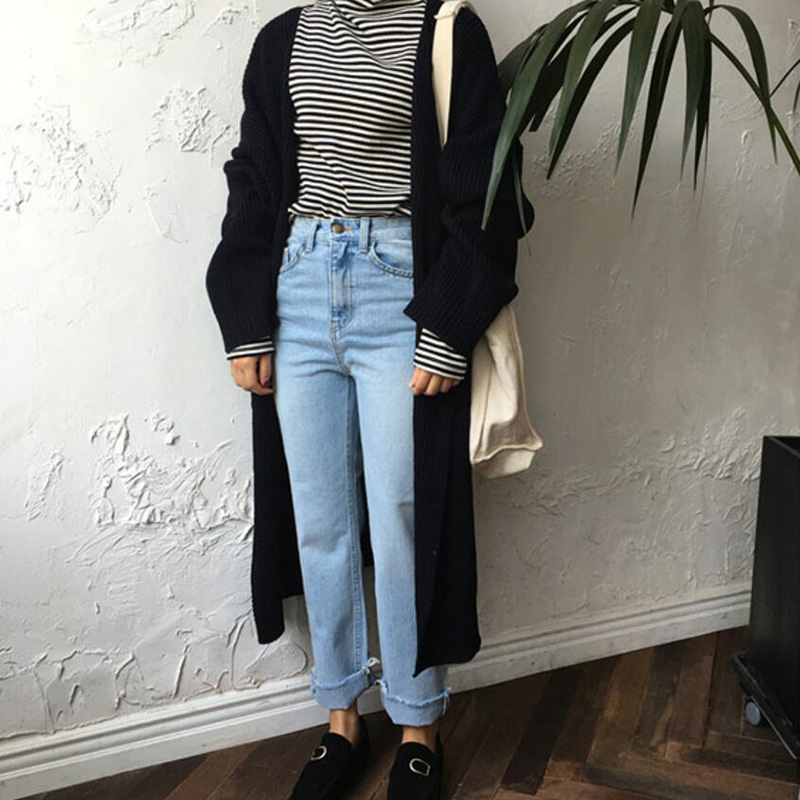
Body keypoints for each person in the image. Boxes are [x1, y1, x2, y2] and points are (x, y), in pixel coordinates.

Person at [205, 1, 534, 798]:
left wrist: (448, 326)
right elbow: (253, 178)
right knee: (319, 521)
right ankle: (341, 717)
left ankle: (418, 725)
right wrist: (246, 319)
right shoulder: (283, 39)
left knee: (403, 513)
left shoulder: (448, 29)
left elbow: (490, 185)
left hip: (401, 291)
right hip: (299, 287)